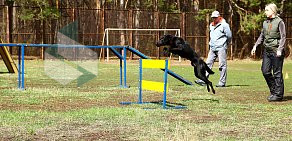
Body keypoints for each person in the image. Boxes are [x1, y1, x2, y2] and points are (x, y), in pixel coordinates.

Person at [251, 3, 286, 102]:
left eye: (267, 10)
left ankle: (278, 95)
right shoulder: (265, 22)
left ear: (273, 11)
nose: (265, 12)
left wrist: (280, 49)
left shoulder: (280, 22)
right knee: (265, 71)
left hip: (276, 51)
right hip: (267, 50)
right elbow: (262, 36)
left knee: (277, 73)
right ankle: (274, 90)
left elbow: (283, 37)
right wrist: (255, 46)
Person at [195, 10, 232, 87]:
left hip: (221, 47)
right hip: (212, 47)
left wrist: (225, 44)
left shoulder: (224, 25)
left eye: (215, 18)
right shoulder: (211, 25)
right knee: (208, 64)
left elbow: (229, 36)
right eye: (213, 18)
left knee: (222, 65)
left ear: (219, 17)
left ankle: (222, 83)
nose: (214, 19)